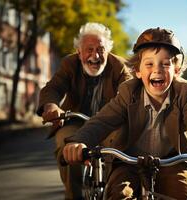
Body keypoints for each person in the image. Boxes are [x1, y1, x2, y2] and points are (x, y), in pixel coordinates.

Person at [62, 27, 187, 199]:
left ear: (177, 70)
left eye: (165, 64)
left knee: (186, 194)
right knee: (118, 194)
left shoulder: (183, 93)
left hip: (174, 162)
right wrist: (79, 140)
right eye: (149, 64)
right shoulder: (128, 93)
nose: (157, 70)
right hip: (128, 163)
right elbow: (102, 121)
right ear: (138, 71)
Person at [36, 22, 132, 200]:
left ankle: (116, 192)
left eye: (100, 49)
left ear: (108, 50)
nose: (95, 56)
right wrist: (51, 105)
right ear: (79, 52)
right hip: (75, 122)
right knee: (67, 146)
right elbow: (54, 88)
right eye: (89, 49)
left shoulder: (120, 67)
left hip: (108, 124)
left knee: (120, 148)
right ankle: (74, 196)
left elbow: (129, 93)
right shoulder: (69, 64)